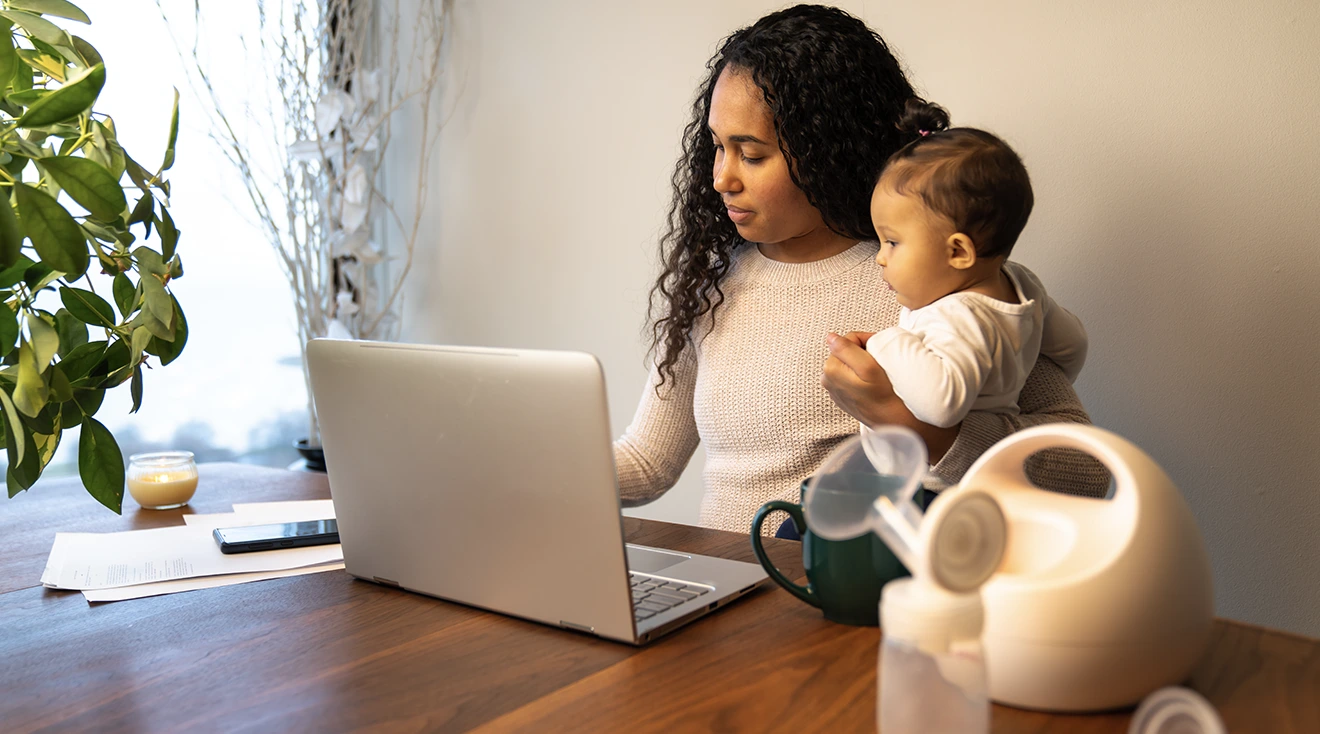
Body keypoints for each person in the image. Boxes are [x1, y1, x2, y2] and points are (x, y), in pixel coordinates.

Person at [613, 4, 1108, 536]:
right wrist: (526, 465)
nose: (720, 179)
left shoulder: (931, 281)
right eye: (716, 147)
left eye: (751, 155)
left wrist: (921, 431)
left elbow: (1084, 471)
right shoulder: (710, 287)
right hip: (732, 602)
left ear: (826, 150)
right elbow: (647, 463)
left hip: (849, 605)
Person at [861, 99, 1088, 435]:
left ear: (958, 252)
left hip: (932, 480)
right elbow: (1073, 345)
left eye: (892, 242)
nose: (880, 257)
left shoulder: (955, 317)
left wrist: (884, 343)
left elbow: (941, 406)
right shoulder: (1022, 283)